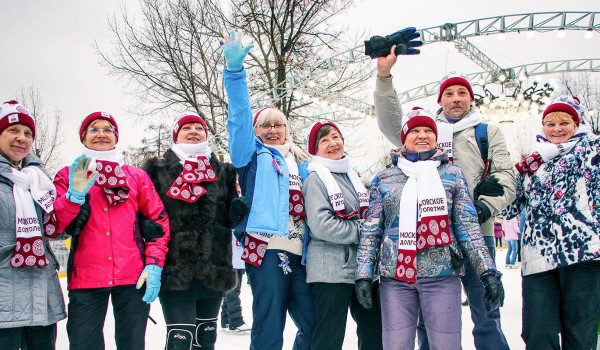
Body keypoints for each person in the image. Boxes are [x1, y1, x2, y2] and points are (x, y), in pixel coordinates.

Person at [373, 43, 515, 350]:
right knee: (430, 318)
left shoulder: (485, 132)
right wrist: (384, 76)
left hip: (476, 231)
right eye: (449, 94)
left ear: (470, 98)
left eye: (461, 93)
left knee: (487, 313)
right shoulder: (426, 129)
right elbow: (389, 121)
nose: (456, 99)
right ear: (440, 100)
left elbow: (506, 177)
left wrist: (483, 208)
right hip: (430, 241)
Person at [355, 107, 504, 349]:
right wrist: (363, 274)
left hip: (441, 276)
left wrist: (487, 271)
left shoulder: (452, 175)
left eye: (428, 130)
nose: (422, 135)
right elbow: (372, 230)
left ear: (436, 137)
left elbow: (468, 227)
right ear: (404, 138)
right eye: (415, 130)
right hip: (396, 278)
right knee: (396, 345)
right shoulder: (384, 179)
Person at [221, 30, 315, 350]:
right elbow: (238, 116)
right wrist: (235, 74)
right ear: (257, 131)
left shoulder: (303, 163)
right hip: (266, 249)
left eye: (279, 125)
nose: (273, 130)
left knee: (314, 324)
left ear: (288, 129)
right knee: (269, 325)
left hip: (302, 252)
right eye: (266, 125)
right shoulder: (251, 155)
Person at [53, 111, 170, 350]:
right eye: (94, 129)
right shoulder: (68, 174)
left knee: (132, 344)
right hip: (86, 278)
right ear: (83, 138)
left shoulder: (136, 176)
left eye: (108, 129)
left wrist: (154, 264)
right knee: (84, 343)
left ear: (116, 138)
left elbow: (158, 223)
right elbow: (56, 225)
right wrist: (73, 197)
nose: (101, 134)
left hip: (132, 276)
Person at [504, 96, 600, 349]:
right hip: (538, 259)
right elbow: (512, 206)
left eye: (564, 122)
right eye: (550, 123)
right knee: (538, 332)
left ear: (577, 124)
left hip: (583, 256)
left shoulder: (593, 152)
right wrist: (496, 188)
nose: (556, 128)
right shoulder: (533, 164)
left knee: (580, 333)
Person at [143, 112, 238, 349]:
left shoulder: (224, 172)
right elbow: (145, 214)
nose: (193, 131)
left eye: (199, 127)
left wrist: (238, 211)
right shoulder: (158, 171)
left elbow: (230, 218)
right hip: (176, 269)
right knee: (180, 342)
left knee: (206, 340)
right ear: (176, 135)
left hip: (214, 269)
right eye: (186, 128)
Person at [302, 120, 382, 350]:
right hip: (330, 272)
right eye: (324, 140)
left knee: (374, 334)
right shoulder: (316, 179)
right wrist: (364, 230)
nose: (332, 143)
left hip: (363, 270)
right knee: (328, 339)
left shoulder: (353, 176)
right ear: (315, 150)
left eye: (335, 137)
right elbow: (322, 226)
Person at [0, 100, 66, 350]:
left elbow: (57, 229)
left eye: (28, 133)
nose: (21, 138)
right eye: (13, 130)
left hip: (41, 298)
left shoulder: (40, 180)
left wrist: (73, 204)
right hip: (5, 298)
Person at [221, 232, 251, 332]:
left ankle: (225, 319)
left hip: (239, 260)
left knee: (232, 291)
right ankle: (236, 320)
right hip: (229, 260)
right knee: (233, 292)